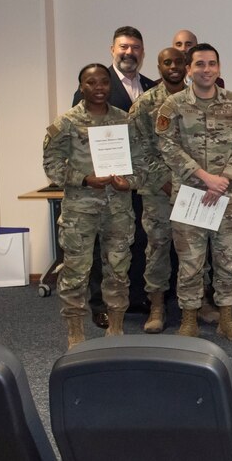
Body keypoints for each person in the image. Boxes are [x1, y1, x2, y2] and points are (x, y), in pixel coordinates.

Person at [156, 43, 232, 341]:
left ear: (219, 68)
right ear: (189, 69)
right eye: (199, 64)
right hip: (190, 196)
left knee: (227, 260)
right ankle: (189, 319)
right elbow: (167, 146)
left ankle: (226, 319)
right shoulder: (172, 106)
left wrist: (224, 180)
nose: (206, 69)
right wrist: (204, 177)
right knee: (191, 263)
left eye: (211, 64)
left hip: (228, 197)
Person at [45, 64, 141, 348]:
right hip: (79, 211)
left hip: (118, 210)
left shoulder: (125, 121)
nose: (98, 88)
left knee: (118, 268)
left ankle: (116, 327)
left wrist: (130, 182)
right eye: (91, 83)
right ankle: (75, 330)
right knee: (76, 270)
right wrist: (84, 179)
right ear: (81, 87)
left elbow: (141, 162)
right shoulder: (66, 123)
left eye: (103, 82)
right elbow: (51, 166)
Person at [72, 26, 157, 329]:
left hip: (138, 182)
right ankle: (100, 304)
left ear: (142, 52)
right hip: (104, 186)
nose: (129, 52)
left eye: (135, 47)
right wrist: (96, 175)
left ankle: (132, 296)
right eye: (123, 47)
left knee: (134, 241)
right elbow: (82, 138)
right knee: (101, 248)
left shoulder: (150, 86)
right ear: (112, 50)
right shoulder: (96, 83)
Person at [127, 47, 187, 334]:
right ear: (159, 66)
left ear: (186, 65)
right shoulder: (144, 104)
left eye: (178, 62)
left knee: (195, 250)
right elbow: (137, 150)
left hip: (194, 190)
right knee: (158, 249)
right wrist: (165, 180)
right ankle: (157, 307)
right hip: (158, 193)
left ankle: (198, 305)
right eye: (167, 62)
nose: (173, 66)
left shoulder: (198, 98)